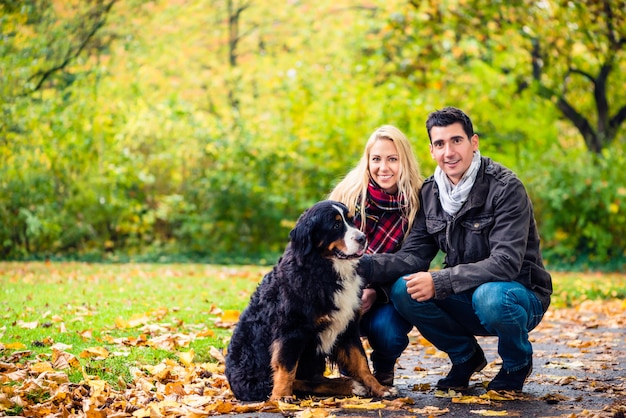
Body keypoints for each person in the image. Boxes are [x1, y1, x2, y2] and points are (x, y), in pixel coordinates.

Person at [357, 107, 552, 392]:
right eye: (440, 144)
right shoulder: (430, 193)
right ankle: (466, 357)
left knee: (490, 296)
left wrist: (440, 281)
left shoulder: (506, 187)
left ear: (473, 143)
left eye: (456, 141)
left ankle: (517, 362)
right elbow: (412, 256)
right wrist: (360, 266)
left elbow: (505, 263)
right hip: (466, 295)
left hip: (518, 295)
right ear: (432, 151)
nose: (449, 151)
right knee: (403, 289)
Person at [329, 124, 424, 386]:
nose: (384, 167)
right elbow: (326, 253)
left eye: (393, 159)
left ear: (404, 161)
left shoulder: (418, 202)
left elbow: (413, 261)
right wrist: (355, 292)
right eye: (376, 159)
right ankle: (349, 369)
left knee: (388, 332)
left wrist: (376, 292)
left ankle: (384, 367)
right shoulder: (347, 195)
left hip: (385, 294)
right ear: (367, 161)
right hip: (344, 289)